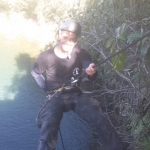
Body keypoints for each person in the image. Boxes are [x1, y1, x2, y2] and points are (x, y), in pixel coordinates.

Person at [31, 18, 126, 150]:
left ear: (76, 40)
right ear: (59, 35)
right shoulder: (46, 56)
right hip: (55, 96)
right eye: (65, 37)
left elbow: (88, 65)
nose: (67, 42)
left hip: (75, 94)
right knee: (49, 127)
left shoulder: (81, 53)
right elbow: (35, 72)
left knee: (100, 120)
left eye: (72, 39)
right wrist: (46, 88)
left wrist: (91, 72)